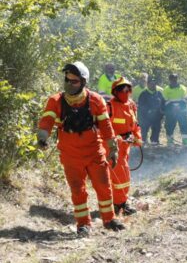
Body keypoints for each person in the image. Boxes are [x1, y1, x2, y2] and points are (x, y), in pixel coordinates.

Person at [36, 62, 125, 237]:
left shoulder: (95, 100)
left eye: (74, 81)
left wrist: (113, 149)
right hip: (70, 156)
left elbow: (106, 126)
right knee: (77, 190)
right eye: (67, 80)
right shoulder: (56, 101)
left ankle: (109, 219)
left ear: (83, 82)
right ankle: (83, 224)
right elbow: (46, 122)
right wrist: (42, 137)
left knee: (103, 186)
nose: (69, 84)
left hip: (94, 152)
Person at [107, 78, 143, 215]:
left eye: (128, 90)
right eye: (122, 90)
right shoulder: (109, 107)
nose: (125, 92)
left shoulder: (132, 105)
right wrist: (118, 139)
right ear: (115, 92)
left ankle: (117, 203)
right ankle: (120, 204)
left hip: (126, 146)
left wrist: (137, 137)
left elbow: (136, 125)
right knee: (121, 176)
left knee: (120, 175)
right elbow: (104, 128)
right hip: (113, 147)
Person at [164, 73, 187, 146]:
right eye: (172, 79)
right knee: (169, 126)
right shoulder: (166, 89)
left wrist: (178, 106)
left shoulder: (183, 88)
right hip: (170, 111)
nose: (174, 80)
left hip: (181, 110)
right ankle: (170, 142)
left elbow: (184, 99)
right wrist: (173, 107)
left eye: (175, 79)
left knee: (184, 125)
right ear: (169, 80)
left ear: (177, 79)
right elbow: (166, 101)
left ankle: (186, 142)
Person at [138, 76, 164, 145]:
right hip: (146, 117)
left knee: (156, 131)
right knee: (144, 132)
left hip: (157, 117)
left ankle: (154, 143)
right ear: (148, 84)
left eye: (154, 84)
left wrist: (162, 113)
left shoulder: (159, 93)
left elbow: (163, 104)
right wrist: (148, 111)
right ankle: (142, 144)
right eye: (151, 84)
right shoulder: (143, 94)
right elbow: (141, 106)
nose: (153, 85)